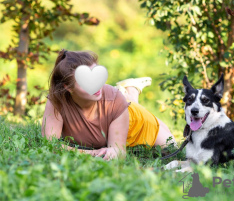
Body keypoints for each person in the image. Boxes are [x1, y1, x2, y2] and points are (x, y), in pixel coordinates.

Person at [42, 49, 177, 161]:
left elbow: (118, 153)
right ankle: (130, 91)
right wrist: (93, 153)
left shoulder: (115, 100)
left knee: (172, 147)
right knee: (121, 102)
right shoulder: (57, 99)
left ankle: (131, 92)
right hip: (117, 109)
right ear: (68, 88)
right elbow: (50, 144)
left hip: (137, 123)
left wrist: (113, 151)